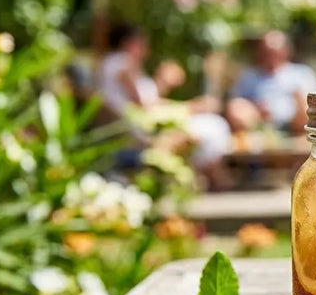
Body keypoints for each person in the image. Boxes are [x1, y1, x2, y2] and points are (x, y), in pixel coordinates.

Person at [96, 24, 233, 190]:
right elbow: (142, 104)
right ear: (129, 43)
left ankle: (210, 177)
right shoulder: (122, 63)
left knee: (211, 124)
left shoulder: (116, 63)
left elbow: (148, 100)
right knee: (214, 126)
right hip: (136, 129)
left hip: (139, 124)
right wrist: (189, 107)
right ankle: (210, 177)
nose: (146, 49)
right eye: (142, 44)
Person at [226, 30, 316, 135]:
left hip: (296, 122)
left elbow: (313, 106)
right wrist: (256, 109)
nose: (270, 56)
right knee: (235, 106)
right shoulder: (249, 77)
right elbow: (238, 102)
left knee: (306, 103)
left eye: (275, 51)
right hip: (259, 122)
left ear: (286, 50)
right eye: (266, 51)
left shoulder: (301, 73)